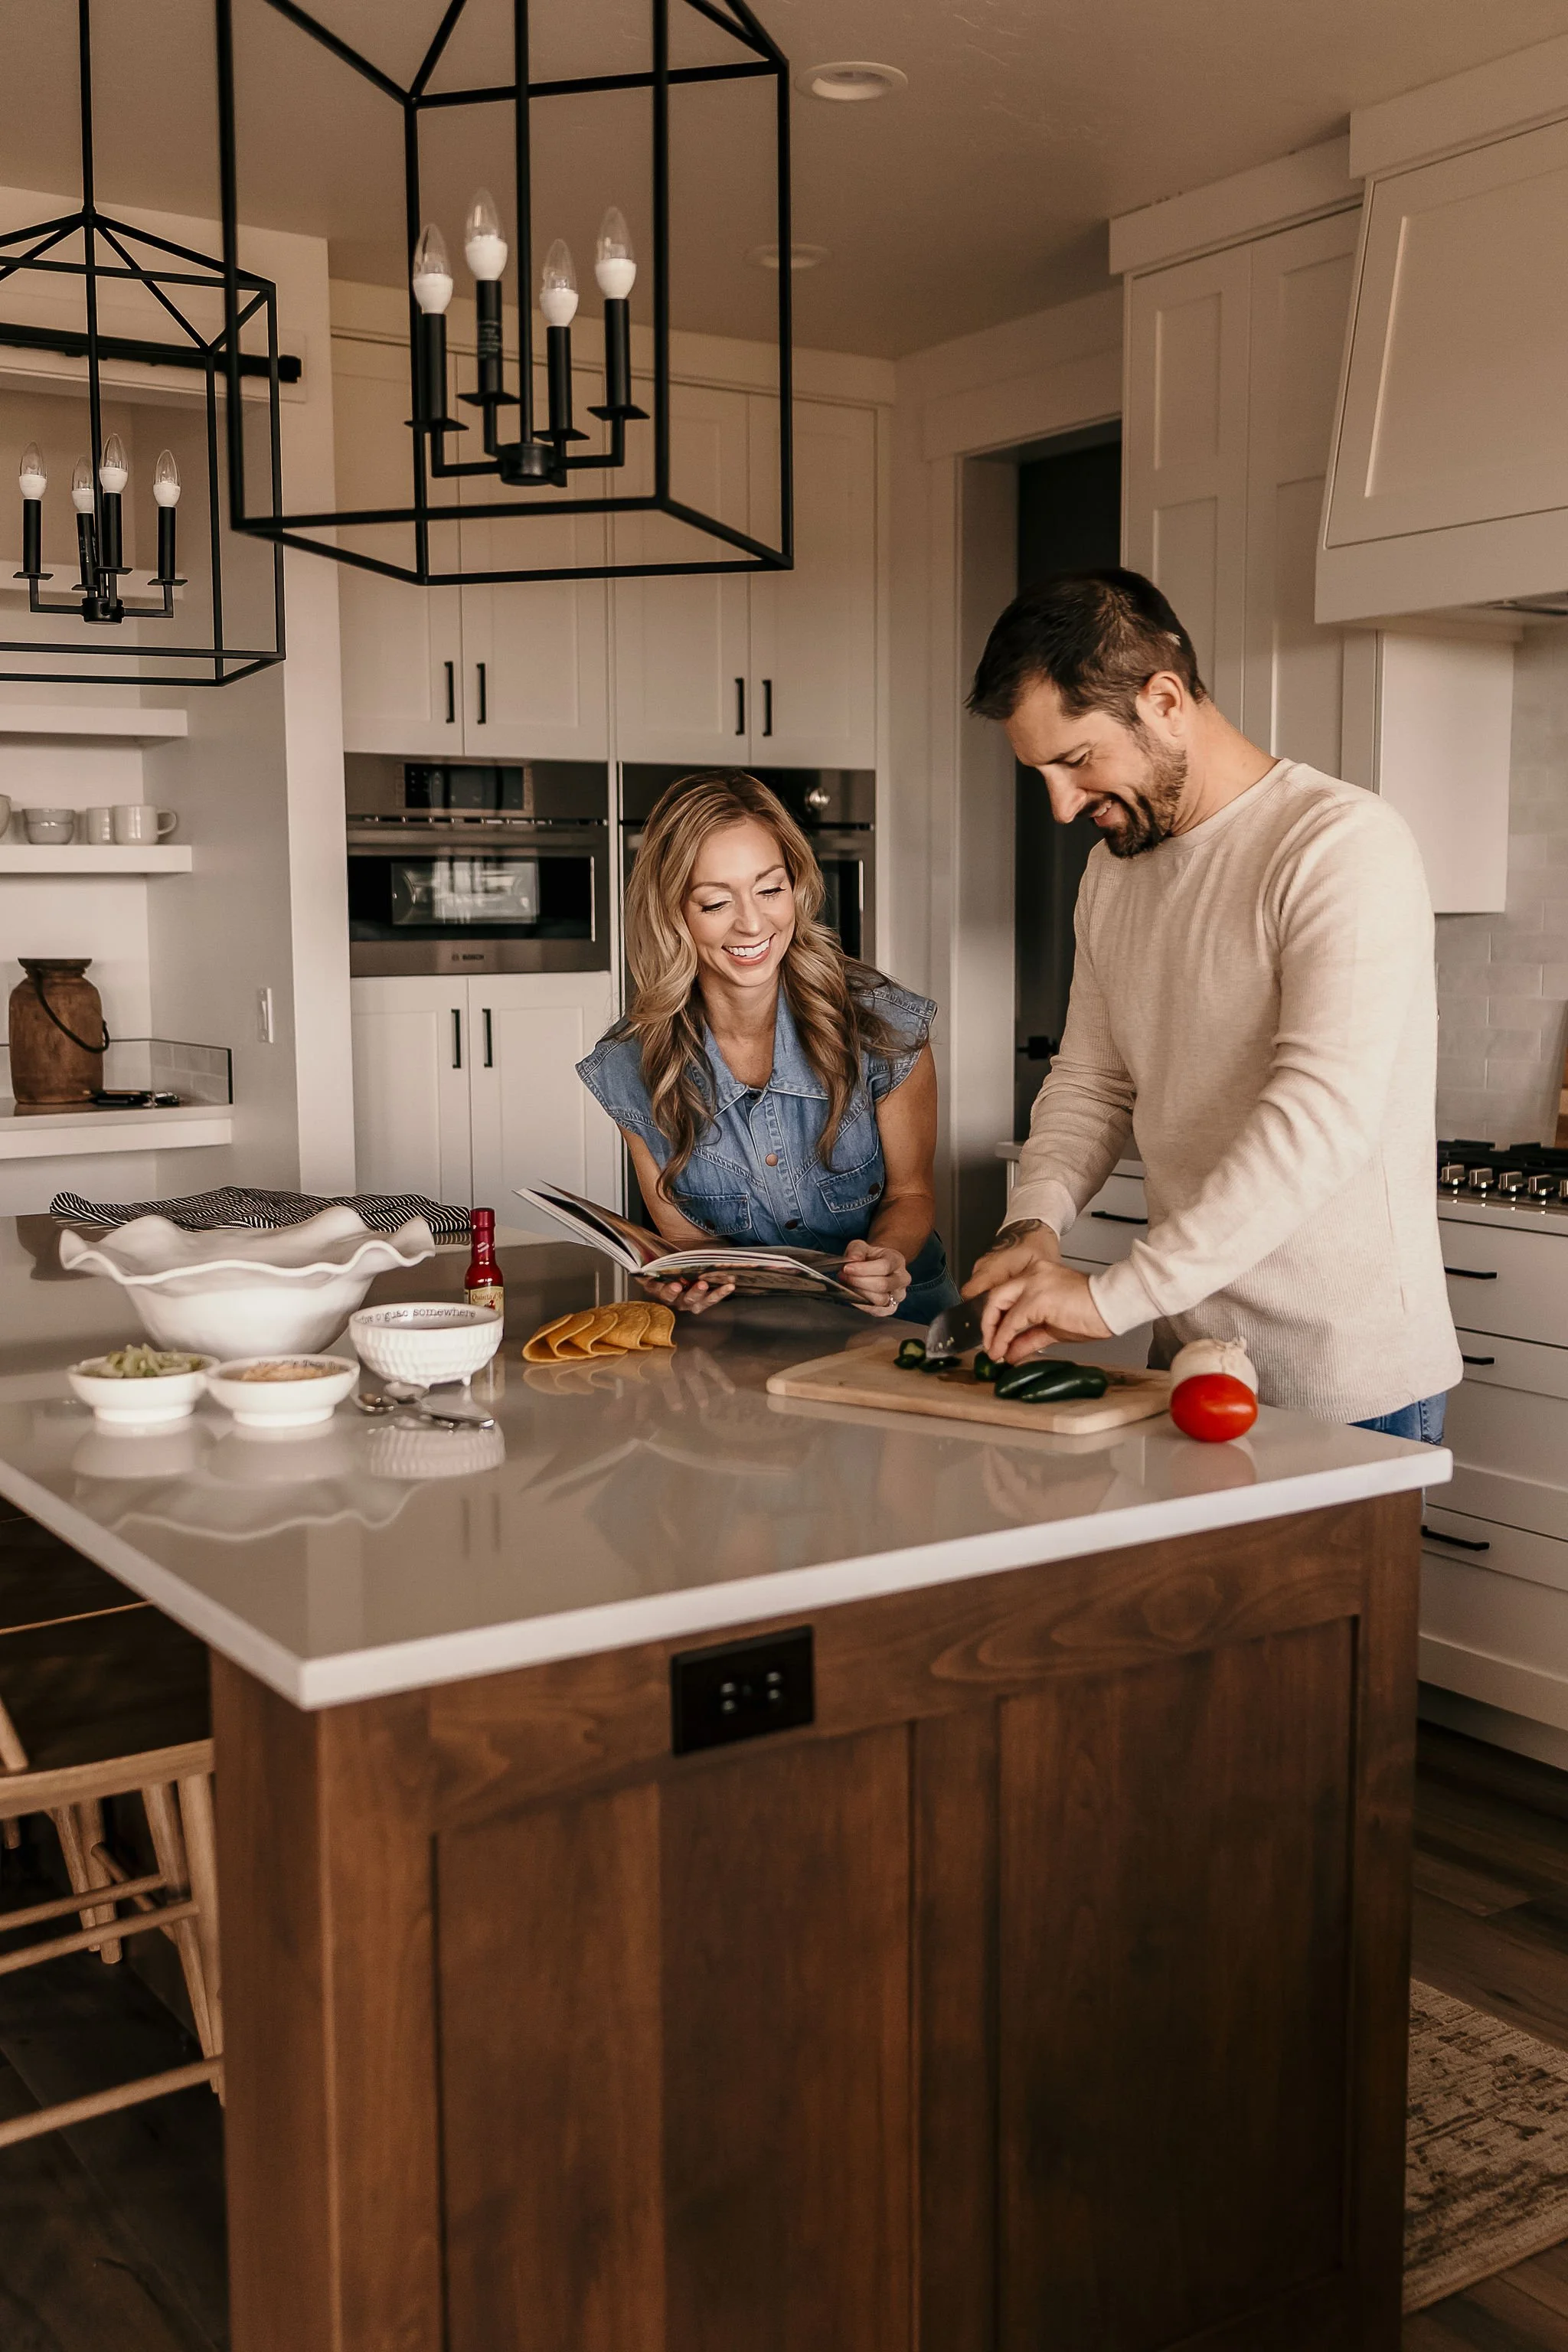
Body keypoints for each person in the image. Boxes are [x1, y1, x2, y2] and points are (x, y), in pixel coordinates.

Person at [963, 567, 1460, 1439]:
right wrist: (1031, 1221)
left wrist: (1110, 1296)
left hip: (1347, 1382)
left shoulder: (1338, 845)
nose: (1060, 804)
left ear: (1162, 699)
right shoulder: (1111, 874)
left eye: (1075, 761)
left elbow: (1318, 1120)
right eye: (1040, 771)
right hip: (1189, 1353)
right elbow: (1089, 1080)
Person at [578, 770, 961, 1322]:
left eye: (770, 889)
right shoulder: (631, 1067)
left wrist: (887, 1256)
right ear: (672, 915)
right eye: (715, 903)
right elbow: (688, 1242)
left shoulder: (882, 1025)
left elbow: (910, 1194)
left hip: (903, 1318)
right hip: (753, 1332)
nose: (753, 923)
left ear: (796, 887)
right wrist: (687, 1277)